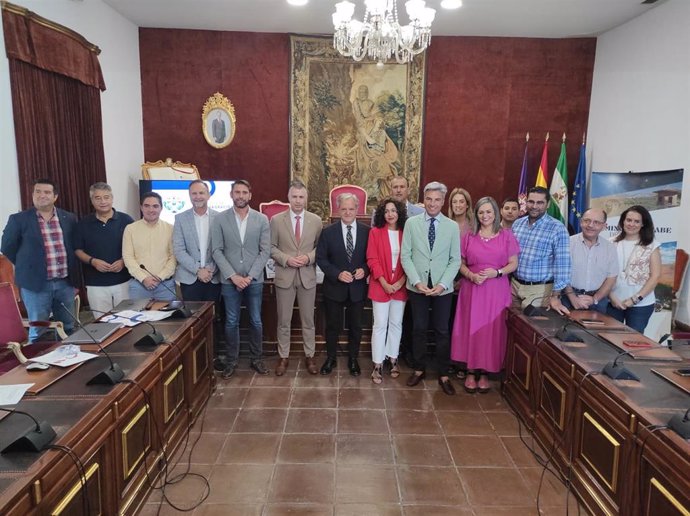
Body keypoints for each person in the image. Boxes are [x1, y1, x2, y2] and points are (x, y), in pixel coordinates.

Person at [451, 197, 519, 393]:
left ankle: (486, 372)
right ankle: (471, 371)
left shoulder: (506, 235)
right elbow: (460, 263)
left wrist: (496, 273)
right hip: (472, 289)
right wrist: (471, 275)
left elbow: (513, 263)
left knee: (491, 331)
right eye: (481, 212)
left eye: (489, 212)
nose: (485, 216)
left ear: (495, 213)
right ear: (477, 214)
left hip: (496, 290)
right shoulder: (469, 236)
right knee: (470, 328)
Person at [401, 181, 461, 395]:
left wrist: (442, 284)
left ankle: (444, 373)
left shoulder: (452, 226)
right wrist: (416, 281)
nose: (432, 203)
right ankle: (419, 369)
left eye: (437, 199)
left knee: (442, 331)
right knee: (418, 329)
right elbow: (405, 255)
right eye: (429, 199)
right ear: (424, 200)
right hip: (418, 286)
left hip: (442, 288)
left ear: (443, 202)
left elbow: (455, 260)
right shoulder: (412, 223)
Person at [1, 179, 79, 340]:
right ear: (33, 194)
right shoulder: (19, 219)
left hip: (65, 283)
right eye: (38, 191)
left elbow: (74, 245)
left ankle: (69, 361)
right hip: (35, 285)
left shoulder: (69, 218)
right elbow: (7, 247)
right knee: (38, 330)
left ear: (55, 196)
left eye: (47, 192)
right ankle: (39, 363)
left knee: (68, 327)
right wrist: (27, 263)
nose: (41, 195)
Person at [211, 180, 271, 378]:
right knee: (231, 321)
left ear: (250, 195)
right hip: (230, 281)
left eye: (244, 192)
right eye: (237, 192)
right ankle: (231, 361)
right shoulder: (220, 219)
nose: (241, 196)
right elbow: (217, 251)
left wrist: (250, 275)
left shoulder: (261, 219)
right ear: (231, 194)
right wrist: (234, 276)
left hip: (254, 280)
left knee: (256, 320)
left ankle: (256, 359)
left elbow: (265, 251)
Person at [270, 180, 323, 376]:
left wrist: (309, 257)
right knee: (284, 320)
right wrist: (286, 259)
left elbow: (321, 249)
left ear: (306, 198)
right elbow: (271, 247)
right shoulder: (276, 220)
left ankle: (310, 355)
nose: (298, 201)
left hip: (307, 277)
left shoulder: (316, 220)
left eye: (301, 197)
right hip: (285, 277)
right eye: (294, 196)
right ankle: (283, 356)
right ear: (288, 198)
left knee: (308, 320)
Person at [316, 193, 370, 376]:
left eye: (351, 208)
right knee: (332, 325)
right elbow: (321, 259)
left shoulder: (367, 231)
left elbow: (371, 258)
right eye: (344, 209)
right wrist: (337, 274)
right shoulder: (327, 232)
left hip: (357, 288)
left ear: (357, 209)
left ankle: (353, 359)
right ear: (338, 210)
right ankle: (330, 358)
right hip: (334, 287)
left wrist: (365, 269)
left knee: (356, 326)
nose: (347, 212)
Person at [173, 180, 223, 368]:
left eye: (201, 193)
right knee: (192, 320)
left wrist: (210, 269)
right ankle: (195, 361)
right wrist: (197, 270)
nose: (198, 197)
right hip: (190, 278)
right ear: (189, 196)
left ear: (208, 195)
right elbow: (178, 250)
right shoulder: (180, 219)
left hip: (213, 276)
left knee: (213, 318)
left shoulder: (219, 218)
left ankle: (213, 358)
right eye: (194, 193)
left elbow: (221, 248)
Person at [75, 182, 134, 317]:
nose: (103, 202)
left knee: (128, 319)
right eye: (98, 198)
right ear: (92, 201)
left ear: (112, 198)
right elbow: (78, 250)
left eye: (106, 197)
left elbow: (137, 247)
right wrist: (93, 261)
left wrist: (123, 261)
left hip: (124, 281)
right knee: (103, 322)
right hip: (96, 284)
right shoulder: (83, 224)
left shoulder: (126, 220)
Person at [366, 198, 408, 384]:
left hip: (400, 285)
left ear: (399, 213)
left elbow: (410, 259)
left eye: (394, 210)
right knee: (380, 324)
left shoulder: (406, 233)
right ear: (382, 214)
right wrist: (383, 282)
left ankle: (393, 359)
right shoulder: (375, 233)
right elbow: (372, 259)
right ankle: (377, 363)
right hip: (380, 284)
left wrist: (401, 281)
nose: (390, 214)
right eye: (387, 211)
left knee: (396, 323)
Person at [511, 187, 570, 314]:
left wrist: (555, 296)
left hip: (539, 290)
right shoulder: (517, 224)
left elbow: (563, 266)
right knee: (511, 325)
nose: (534, 206)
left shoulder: (557, 228)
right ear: (526, 202)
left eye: (540, 203)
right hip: (514, 286)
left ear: (548, 204)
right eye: (531, 202)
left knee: (527, 330)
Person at [606, 205, 661, 333]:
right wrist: (611, 296)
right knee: (610, 338)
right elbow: (602, 273)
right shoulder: (611, 242)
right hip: (613, 301)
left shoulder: (651, 245)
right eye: (629, 220)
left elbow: (655, 276)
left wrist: (634, 299)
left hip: (641, 304)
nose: (632, 224)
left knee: (633, 341)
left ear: (643, 224)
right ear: (623, 221)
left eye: (637, 221)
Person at [562, 208, 618, 314]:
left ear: (604, 226)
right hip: (568, 298)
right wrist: (572, 297)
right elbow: (561, 273)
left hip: (598, 301)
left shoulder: (610, 248)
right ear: (581, 222)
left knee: (595, 331)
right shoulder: (567, 243)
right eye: (587, 220)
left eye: (596, 222)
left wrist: (595, 299)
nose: (590, 225)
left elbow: (611, 278)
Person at [122, 192, 177, 301]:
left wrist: (160, 277)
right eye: (147, 206)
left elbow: (174, 257)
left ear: (161, 208)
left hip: (165, 286)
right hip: (139, 285)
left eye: (155, 206)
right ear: (141, 207)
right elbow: (128, 257)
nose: (151, 210)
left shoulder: (171, 229)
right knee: (139, 317)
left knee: (168, 317)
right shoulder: (130, 229)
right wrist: (144, 278)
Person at [352, 84, 401, 199]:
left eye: (364, 91)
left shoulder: (371, 105)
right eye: (360, 91)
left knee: (382, 161)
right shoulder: (356, 103)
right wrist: (366, 135)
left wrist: (374, 128)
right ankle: (369, 188)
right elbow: (359, 122)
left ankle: (380, 189)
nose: (362, 93)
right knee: (369, 154)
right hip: (363, 134)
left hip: (373, 142)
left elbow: (378, 117)